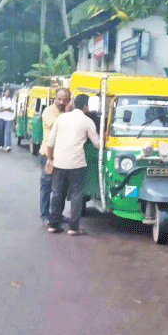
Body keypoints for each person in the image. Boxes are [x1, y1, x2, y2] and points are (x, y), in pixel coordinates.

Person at [45, 93, 100, 236]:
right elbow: (97, 143)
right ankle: (73, 228)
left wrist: (50, 159)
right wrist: (104, 137)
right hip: (76, 164)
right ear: (86, 106)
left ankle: (53, 225)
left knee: (57, 193)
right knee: (76, 194)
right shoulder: (87, 121)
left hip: (59, 163)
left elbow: (50, 142)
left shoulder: (61, 118)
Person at [39, 88, 71, 225]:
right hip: (48, 155)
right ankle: (45, 215)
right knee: (47, 186)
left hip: (63, 156)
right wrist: (70, 114)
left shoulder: (67, 113)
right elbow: (57, 125)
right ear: (54, 98)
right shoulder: (48, 111)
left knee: (62, 188)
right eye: (59, 98)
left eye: (65, 100)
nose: (61, 102)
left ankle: (57, 214)